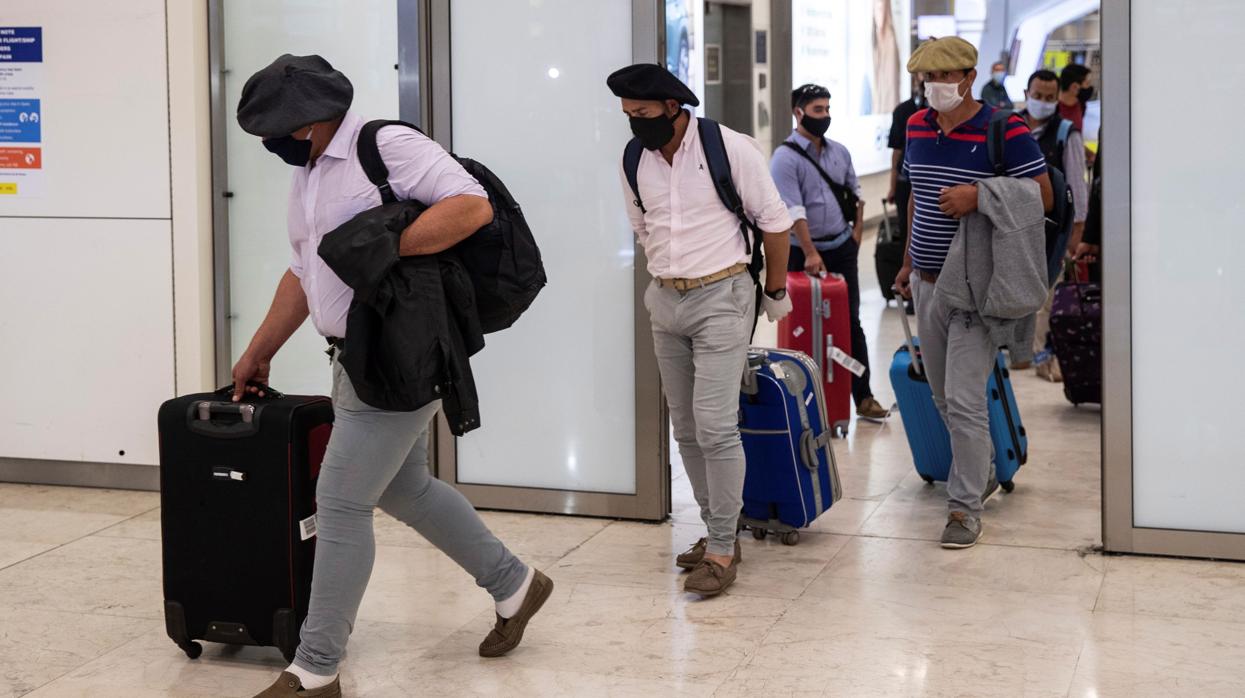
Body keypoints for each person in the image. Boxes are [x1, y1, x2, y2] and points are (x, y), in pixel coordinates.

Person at [234, 55, 552, 698]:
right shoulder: (307, 176)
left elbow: (471, 207)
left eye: (275, 131)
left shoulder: (386, 146)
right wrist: (260, 348)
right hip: (351, 355)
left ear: (309, 121)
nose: (271, 144)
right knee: (405, 488)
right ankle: (516, 583)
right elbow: (304, 271)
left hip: (400, 350)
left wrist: (385, 247)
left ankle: (315, 669)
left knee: (340, 502)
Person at [608, 63, 793, 597]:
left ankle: (721, 548)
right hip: (665, 300)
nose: (635, 123)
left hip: (722, 296)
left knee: (715, 426)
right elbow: (643, 227)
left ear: (672, 107)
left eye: (642, 112)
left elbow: (775, 225)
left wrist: (774, 291)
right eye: (628, 114)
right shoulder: (633, 158)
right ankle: (719, 532)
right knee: (686, 428)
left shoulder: (729, 148)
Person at [894, 37, 1053, 549]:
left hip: (973, 287)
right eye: (927, 78)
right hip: (926, 282)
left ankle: (963, 508)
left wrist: (980, 195)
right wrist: (908, 262)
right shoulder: (916, 125)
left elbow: (1042, 196)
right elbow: (917, 194)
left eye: (945, 76)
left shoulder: (1005, 128)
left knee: (964, 400)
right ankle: (979, 469)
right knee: (942, 396)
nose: (935, 86)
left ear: (968, 76)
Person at [770, 83, 891, 421]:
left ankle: (863, 397)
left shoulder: (839, 152)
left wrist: (856, 233)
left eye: (827, 109)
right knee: (801, 325)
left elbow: (856, 193)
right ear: (799, 113)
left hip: (840, 247)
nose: (824, 116)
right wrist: (811, 253)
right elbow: (794, 211)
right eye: (817, 110)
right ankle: (801, 400)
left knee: (850, 321)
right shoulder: (784, 159)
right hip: (802, 253)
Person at [1020, 69, 1090, 379]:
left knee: (1047, 297)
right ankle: (1020, 351)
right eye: (1037, 96)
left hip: (1052, 231)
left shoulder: (1066, 133)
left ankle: (1044, 357)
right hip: (1012, 229)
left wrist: (1076, 233)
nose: (1043, 102)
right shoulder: (1010, 127)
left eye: (1049, 98)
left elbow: (1076, 185)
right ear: (1026, 94)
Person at [1058, 64, 1093, 131]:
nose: (1090, 87)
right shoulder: (1052, 108)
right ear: (1074, 87)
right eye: (1087, 83)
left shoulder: (1081, 105)